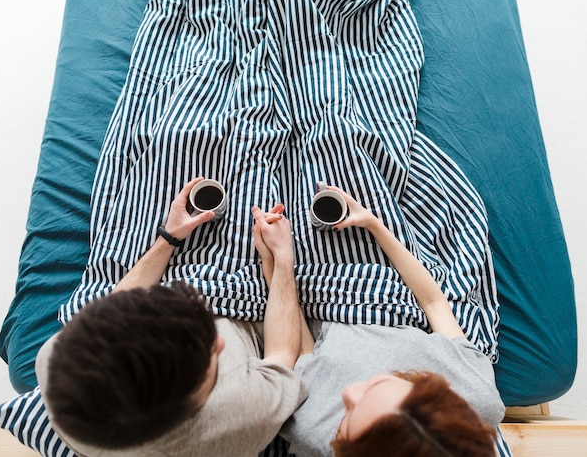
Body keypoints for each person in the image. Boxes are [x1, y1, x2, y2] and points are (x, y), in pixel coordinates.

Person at [35, 177, 314, 456]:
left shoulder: (57, 362)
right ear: (193, 407)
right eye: (210, 357)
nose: (218, 344)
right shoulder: (241, 414)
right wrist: (281, 258)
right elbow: (282, 354)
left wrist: (169, 236)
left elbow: (117, 307)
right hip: (252, 302)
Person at [280, 186, 506, 457]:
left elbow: (302, 350)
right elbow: (434, 303)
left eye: (346, 421)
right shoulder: (475, 399)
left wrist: (280, 263)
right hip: (393, 283)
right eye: (379, 383)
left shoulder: (313, 431)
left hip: (313, 293)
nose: (349, 391)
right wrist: (374, 223)